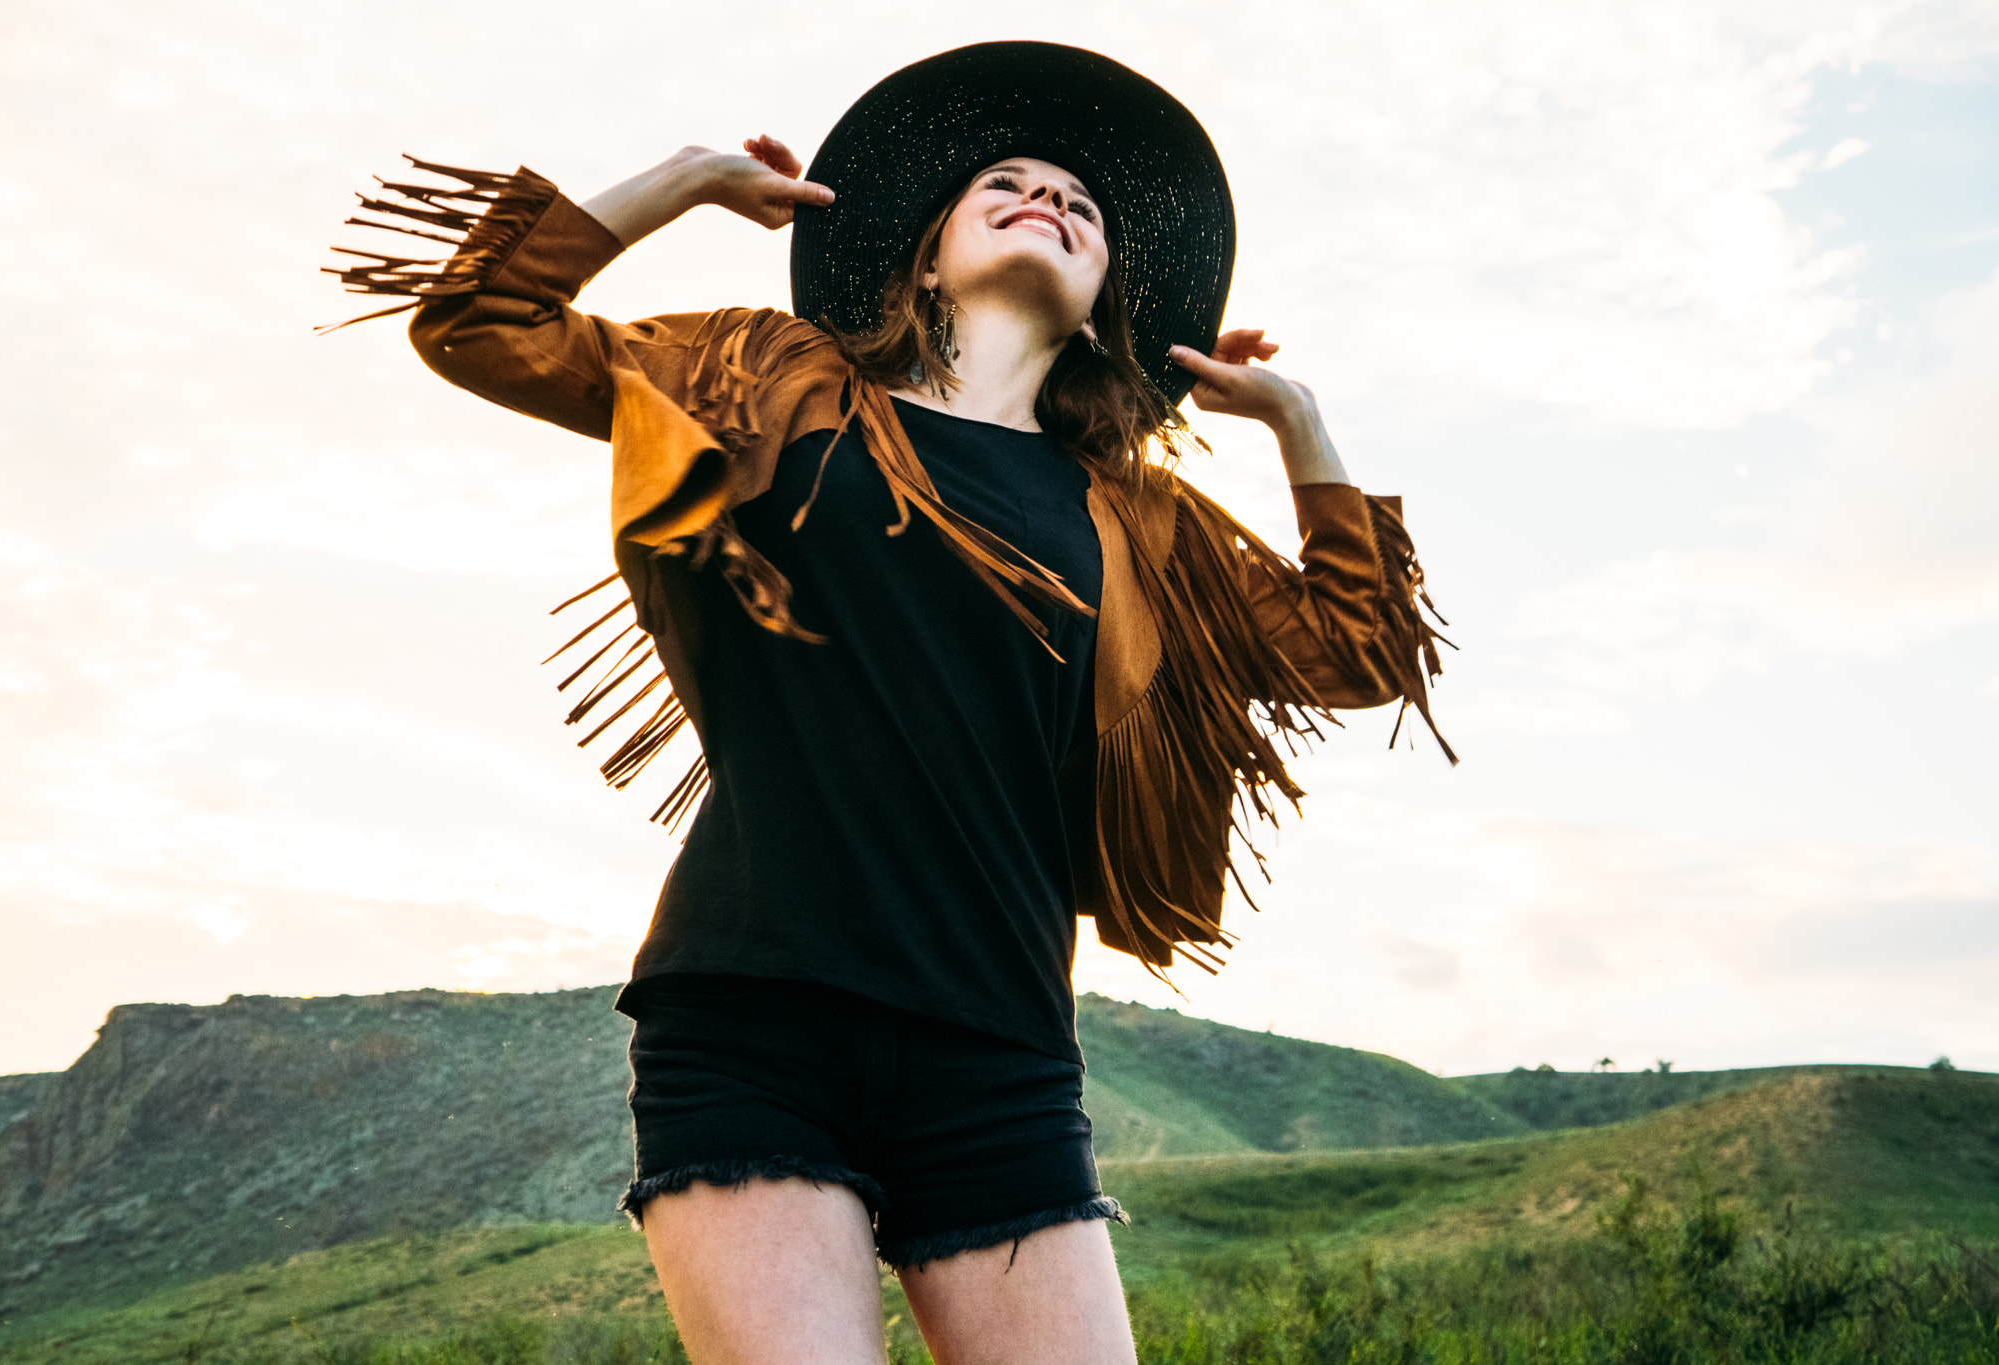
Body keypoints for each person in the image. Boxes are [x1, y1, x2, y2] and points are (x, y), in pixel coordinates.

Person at [327, 40, 1449, 1365]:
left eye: (1081, 207)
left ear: (1100, 310)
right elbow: (480, 325)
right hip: (753, 1021)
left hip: (1003, 1048)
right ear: (922, 257)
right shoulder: (774, 382)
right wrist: (683, 182)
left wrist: (1299, 425)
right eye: (1009, 182)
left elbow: (1359, 652)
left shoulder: (1141, 521)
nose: (1051, 198)